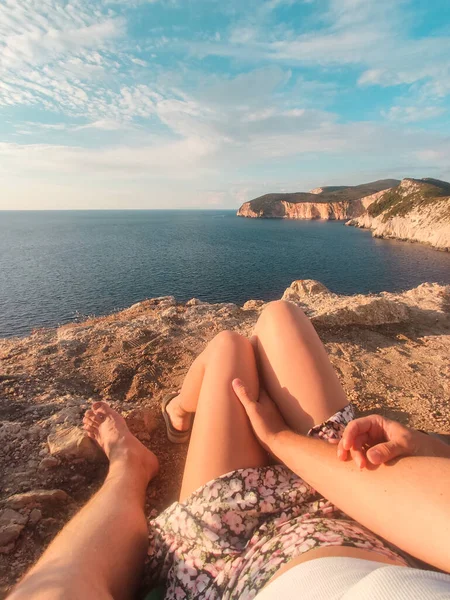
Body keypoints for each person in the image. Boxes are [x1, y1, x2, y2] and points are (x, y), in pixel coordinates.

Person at [7, 301, 450, 600]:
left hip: (229, 555)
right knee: (280, 314)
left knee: (229, 347)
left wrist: (280, 439)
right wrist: (427, 447)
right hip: (373, 505)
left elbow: (63, 585)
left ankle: (137, 456)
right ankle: (187, 417)